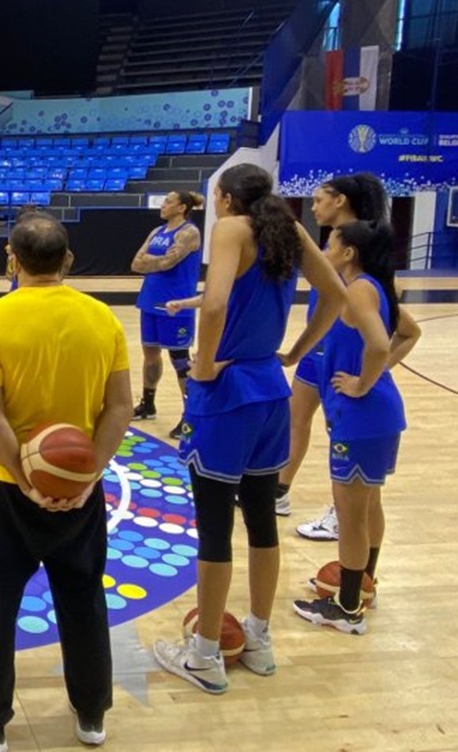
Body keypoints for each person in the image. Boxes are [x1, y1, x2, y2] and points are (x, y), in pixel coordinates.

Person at [152, 164, 347, 695]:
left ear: (225, 197)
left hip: (229, 391)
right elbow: (336, 296)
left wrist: (206, 364)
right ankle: (259, 640)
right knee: (262, 521)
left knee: (215, 527)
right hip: (271, 388)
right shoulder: (290, 227)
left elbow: (215, 304)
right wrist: (297, 352)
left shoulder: (231, 228)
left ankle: (205, 655)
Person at [0, 213, 134, 750]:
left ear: (11, 261)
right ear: (68, 261)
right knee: (82, 600)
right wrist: (84, 478)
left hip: (5, 488)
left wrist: (28, 481)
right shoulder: (102, 318)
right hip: (79, 491)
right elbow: (121, 407)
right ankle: (92, 715)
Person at [292, 221, 420, 635]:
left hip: (363, 416)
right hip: (376, 416)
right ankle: (365, 586)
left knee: (350, 515)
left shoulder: (359, 290)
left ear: (348, 253)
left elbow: (382, 345)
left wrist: (363, 382)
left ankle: (347, 608)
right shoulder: (374, 286)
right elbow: (408, 332)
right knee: (368, 506)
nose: (325, 250)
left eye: (330, 244)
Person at [289, 173, 390, 530]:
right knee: (296, 418)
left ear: (340, 201)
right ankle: (280, 489)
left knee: (350, 447)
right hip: (322, 350)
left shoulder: (357, 254)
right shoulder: (335, 246)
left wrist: (368, 378)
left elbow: (393, 330)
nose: (313, 206)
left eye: (318, 199)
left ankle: (343, 514)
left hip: (343, 360)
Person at [129, 191, 205, 440]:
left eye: (168, 202)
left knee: (180, 360)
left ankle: (190, 417)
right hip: (150, 300)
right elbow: (135, 264)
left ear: (182, 207)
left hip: (176, 304)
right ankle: (148, 404)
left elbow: (168, 263)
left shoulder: (189, 232)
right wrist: (156, 260)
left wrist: (152, 261)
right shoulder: (157, 232)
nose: (163, 205)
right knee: (150, 355)